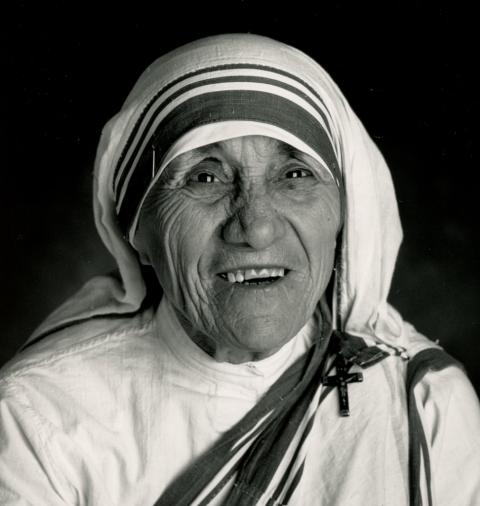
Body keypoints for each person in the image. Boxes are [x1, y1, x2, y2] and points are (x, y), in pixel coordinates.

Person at [0, 34, 479, 506]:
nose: (256, 227)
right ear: (136, 230)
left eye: (295, 175)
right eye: (204, 177)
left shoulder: (424, 404)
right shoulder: (36, 417)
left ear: (344, 213)